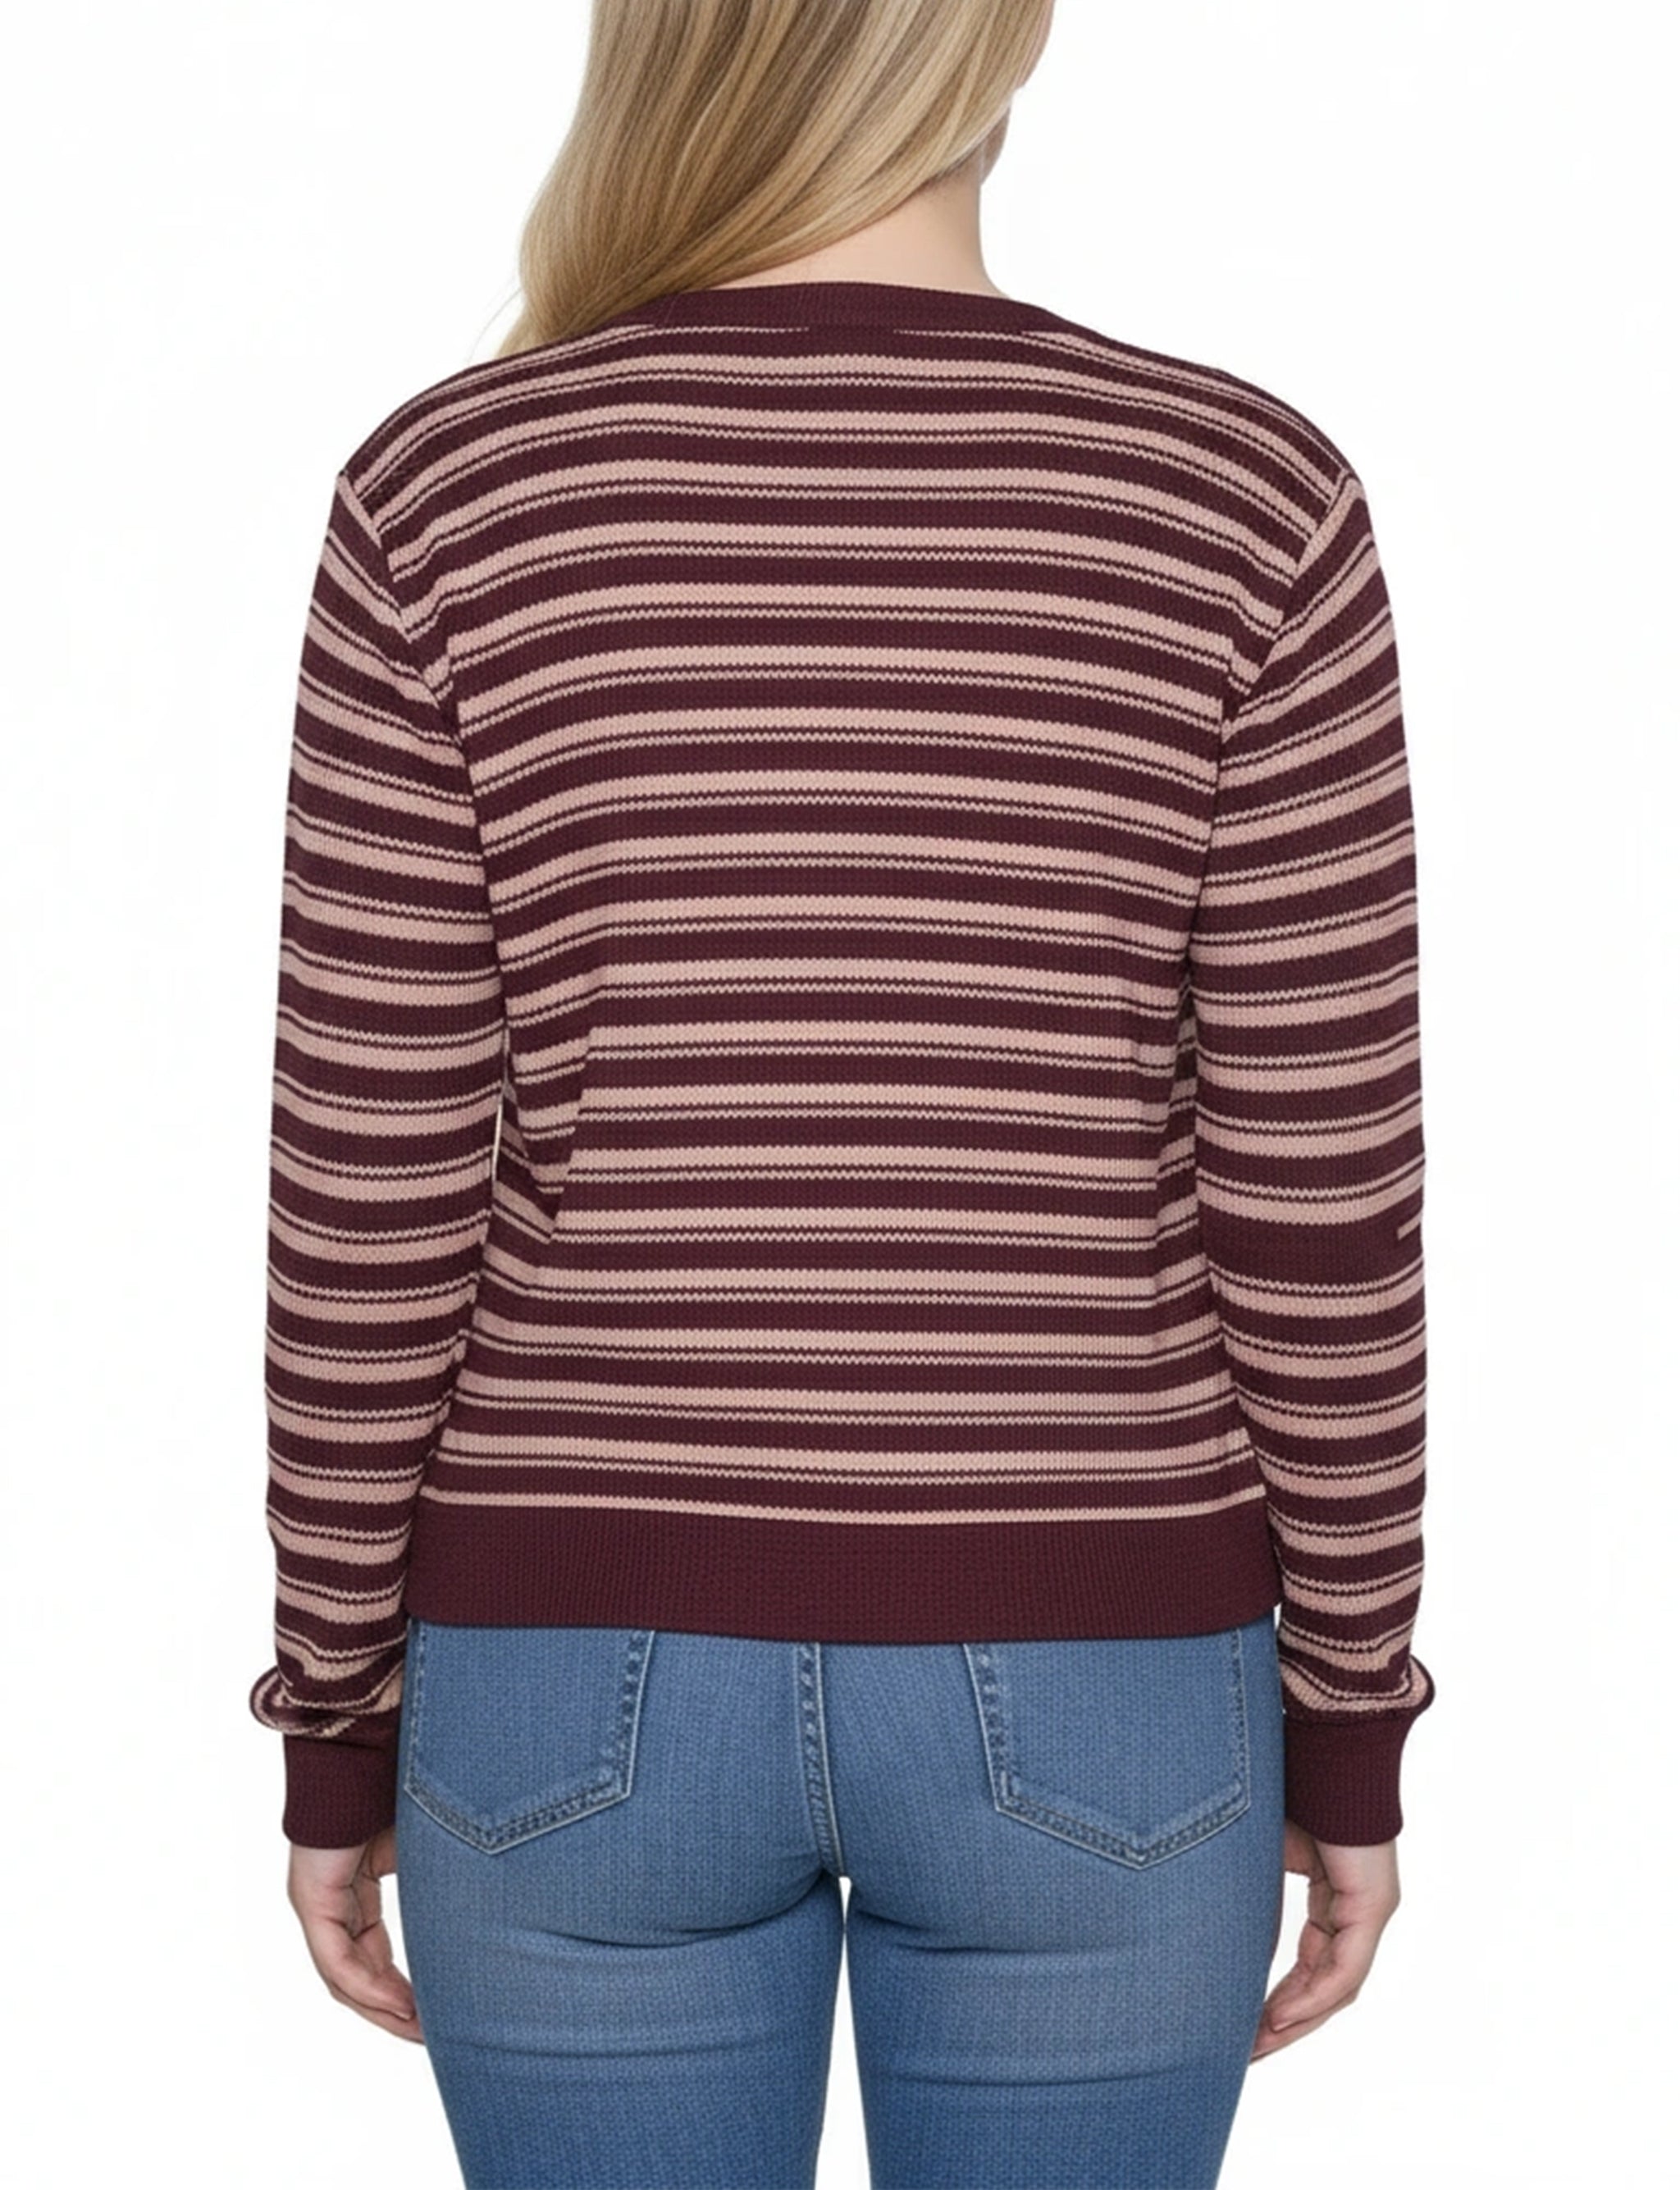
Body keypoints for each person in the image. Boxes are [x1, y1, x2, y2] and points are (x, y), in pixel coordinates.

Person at [247, 2, 1436, 2183]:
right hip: (1103, 1655)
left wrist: (336, 1713)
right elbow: (1320, 1198)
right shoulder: (1241, 499)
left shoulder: (453, 495)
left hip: (569, 1662)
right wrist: (1350, 1717)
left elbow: (366, 1190)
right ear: (1003, 41)